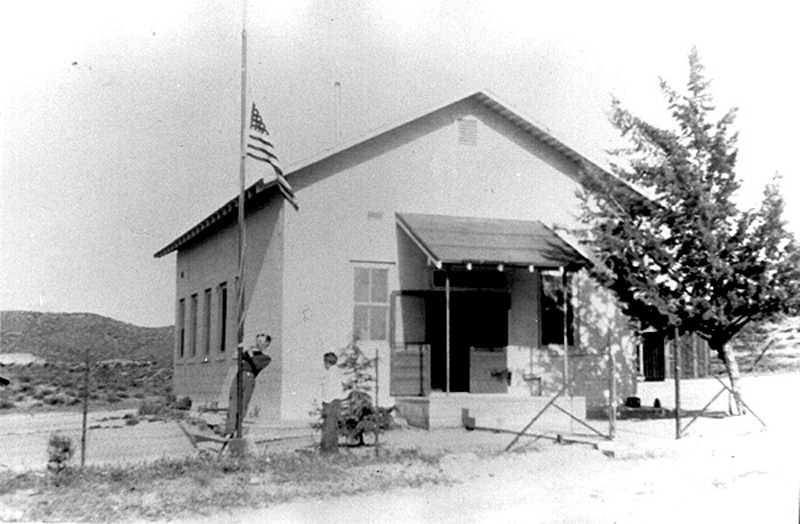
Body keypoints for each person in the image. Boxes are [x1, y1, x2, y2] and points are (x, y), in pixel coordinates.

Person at [224, 333, 272, 436]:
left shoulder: (265, 357)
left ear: (266, 344)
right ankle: (230, 429)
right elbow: (240, 357)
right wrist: (240, 348)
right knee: (233, 402)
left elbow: (256, 365)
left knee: (243, 404)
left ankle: (237, 428)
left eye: (260, 342)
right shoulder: (251, 352)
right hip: (239, 376)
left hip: (249, 378)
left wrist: (250, 354)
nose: (257, 343)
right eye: (257, 341)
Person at [319, 351, 345, 453]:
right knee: (333, 427)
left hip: (330, 402)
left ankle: (327, 449)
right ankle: (333, 448)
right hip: (337, 401)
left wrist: (325, 402)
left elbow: (329, 389)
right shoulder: (338, 371)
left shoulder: (330, 373)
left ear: (326, 362)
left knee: (328, 427)